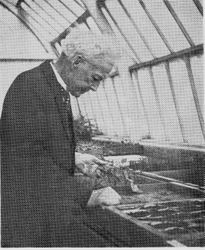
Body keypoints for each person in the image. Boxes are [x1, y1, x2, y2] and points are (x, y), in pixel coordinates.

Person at [1, 29, 120, 247]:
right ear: (77, 61)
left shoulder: (51, 88)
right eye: (95, 78)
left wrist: (72, 156)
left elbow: (35, 142)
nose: (95, 88)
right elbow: (23, 165)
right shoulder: (28, 87)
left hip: (47, 214)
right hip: (32, 227)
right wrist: (91, 194)